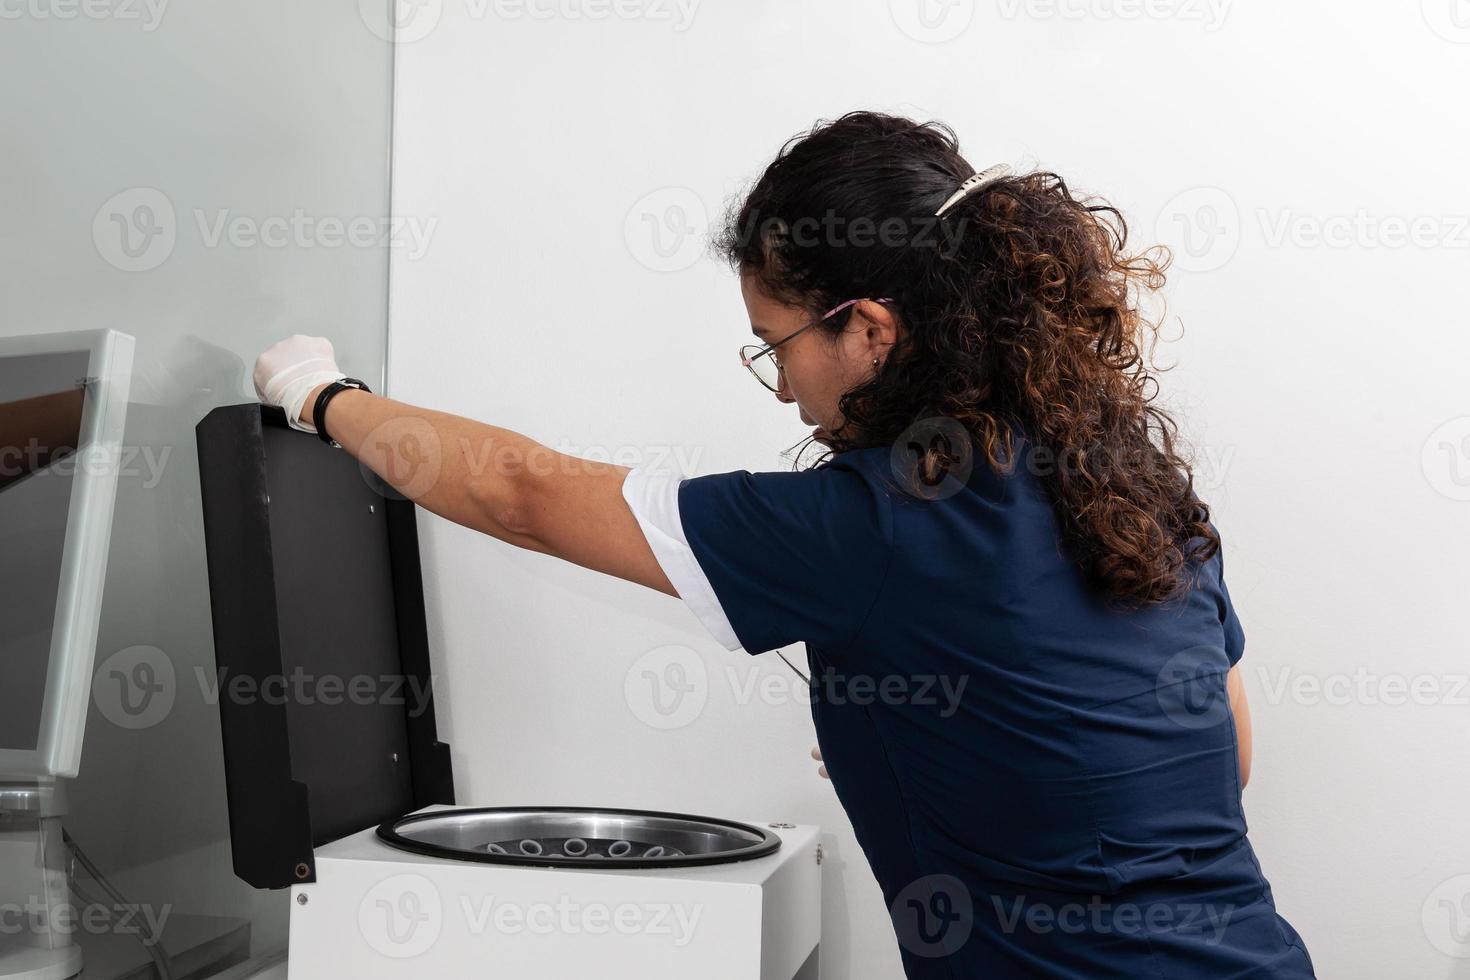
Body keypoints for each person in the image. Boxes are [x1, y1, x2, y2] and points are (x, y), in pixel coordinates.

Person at [252, 111, 1315, 978]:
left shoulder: (875, 518)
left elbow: (522, 492)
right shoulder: (1126, 485)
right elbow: (1225, 757)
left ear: (870, 327)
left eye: (779, 345)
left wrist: (322, 396)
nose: (788, 386)